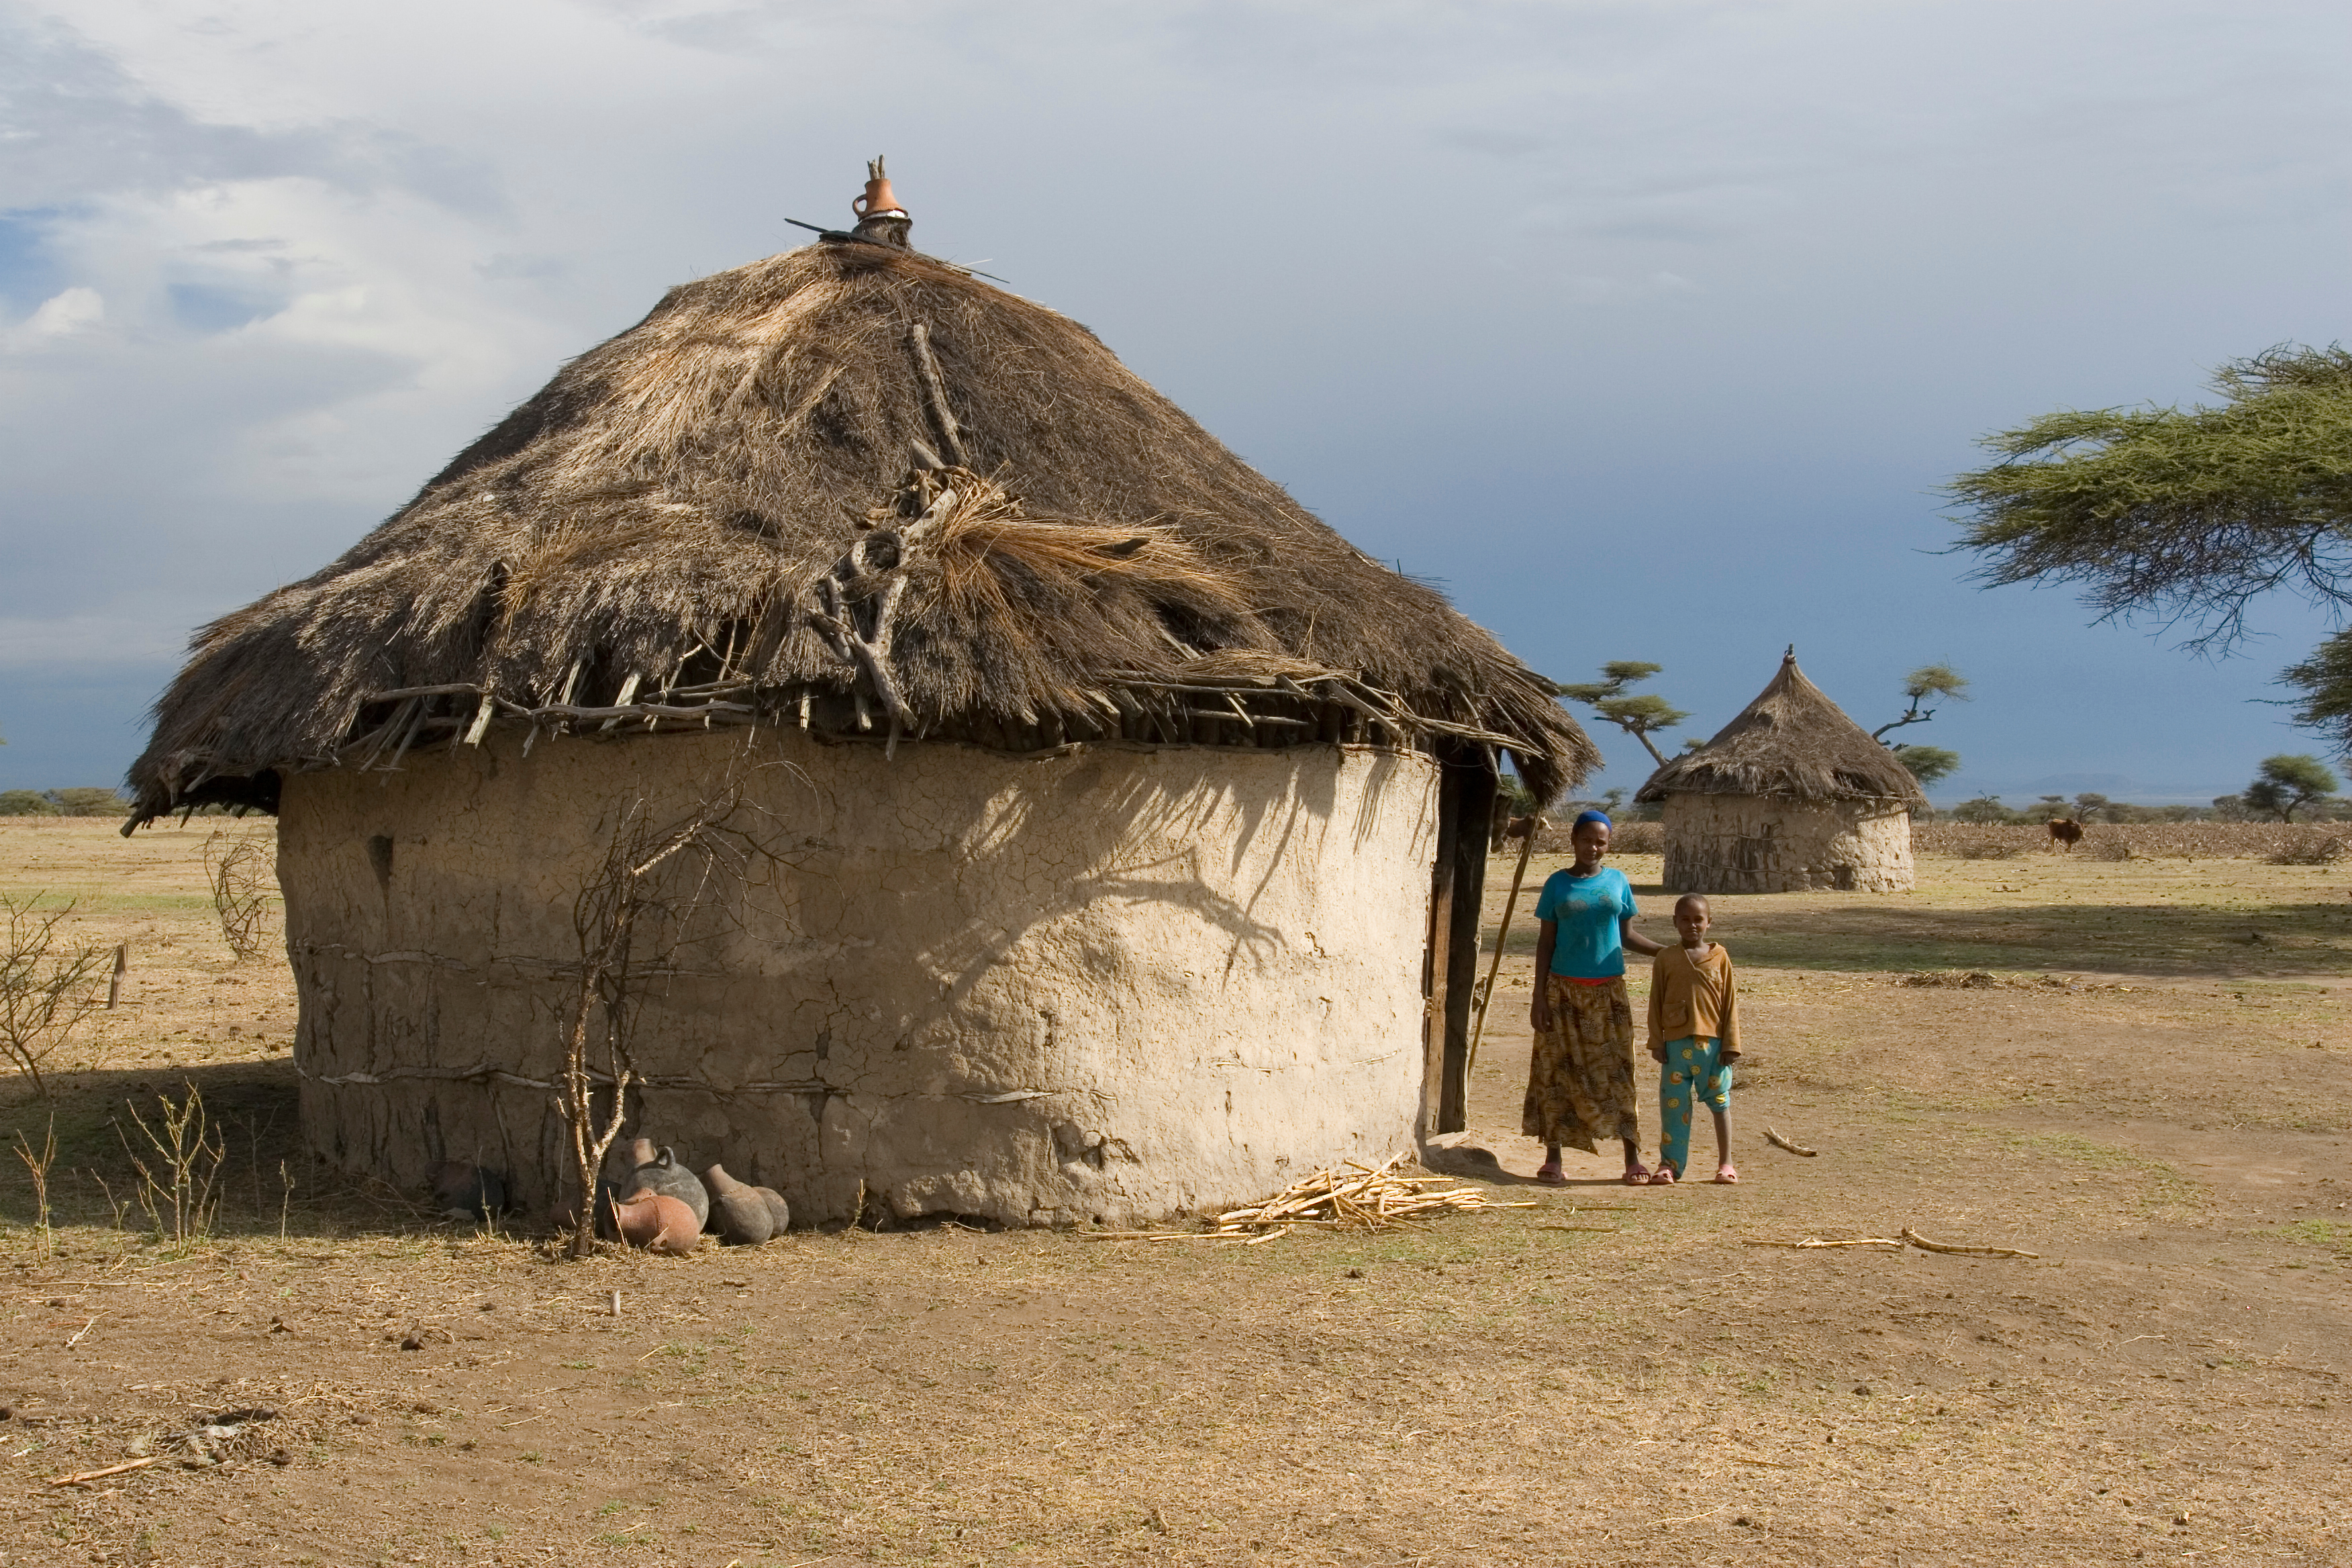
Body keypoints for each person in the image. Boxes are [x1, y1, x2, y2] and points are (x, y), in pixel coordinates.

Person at [1525, 810, 1665, 1185]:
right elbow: (1545, 942)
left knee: (1619, 1072)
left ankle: (1632, 1157)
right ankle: (1553, 1157)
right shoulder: (1557, 884)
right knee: (1556, 1072)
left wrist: (1669, 952)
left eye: (1601, 841)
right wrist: (1539, 996)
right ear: (1573, 840)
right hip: (1562, 992)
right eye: (1587, 839)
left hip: (1609, 994)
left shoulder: (1618, 882)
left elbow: (1629, 937)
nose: (1594, 847)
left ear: (1609, 844)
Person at [1646, 893, 1741, 1185]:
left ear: (1709, 922)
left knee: (1719, 1101)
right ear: (1675, 922)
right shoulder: (1666, 958)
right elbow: (1655, 1001)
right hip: (1675, 1047)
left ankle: (1726, 1163)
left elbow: (1730, 1003)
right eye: (1685, 920)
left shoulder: (1720, 957)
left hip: (1713, 1048)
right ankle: (1669, 1165)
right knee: (1673, 1106)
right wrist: (1657, 1042)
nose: (1692, 925)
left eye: (1698, 919)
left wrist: (1731, 1045)